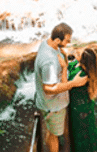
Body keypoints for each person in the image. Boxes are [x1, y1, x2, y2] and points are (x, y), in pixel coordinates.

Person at [35, 23, 87, 152]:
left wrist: (64, 62)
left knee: (55, 130)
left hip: (54, 103)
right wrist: (74, 83)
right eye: (67, 41)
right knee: (53, 135)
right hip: (53, 106)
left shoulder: (48, 44)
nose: (69, 43)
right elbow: (49, 88)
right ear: (57, 40)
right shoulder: (50, 62)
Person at [67, 47, 97, 152]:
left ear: (82, 60)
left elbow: (67, 80)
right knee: (90, 133)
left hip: (77, 111)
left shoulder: (81, 75)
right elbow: (71, 64)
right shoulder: (92, 72)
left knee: (79, 137)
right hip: (86, 108)